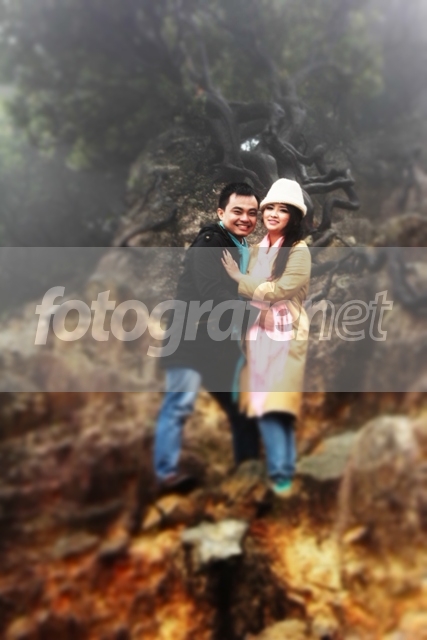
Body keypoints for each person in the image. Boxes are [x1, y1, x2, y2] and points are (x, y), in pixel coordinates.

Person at [153, 183, 261, 493]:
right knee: (179, 403)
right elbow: (212, 293)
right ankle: (165, 475)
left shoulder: (240, 247)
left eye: (252, 213)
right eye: (237, 211)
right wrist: (257, 316)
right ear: (221, 212)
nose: (245, 218)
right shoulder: (209, 244)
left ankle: (249, 471)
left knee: (241, 406)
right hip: (188, 337)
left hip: (218, 342)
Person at [222, 178, 311, 496]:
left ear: (293, 216)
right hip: (258, 334)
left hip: (285, 335)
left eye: (282, 209)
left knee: (276, 406)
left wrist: (239, 278)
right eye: (269, 207)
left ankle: (281, 475)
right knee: (267, 405)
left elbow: (281, 290)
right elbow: (256, 292)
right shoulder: (259, 248)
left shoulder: (299, 250)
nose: (273, 214)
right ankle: (283, 471)